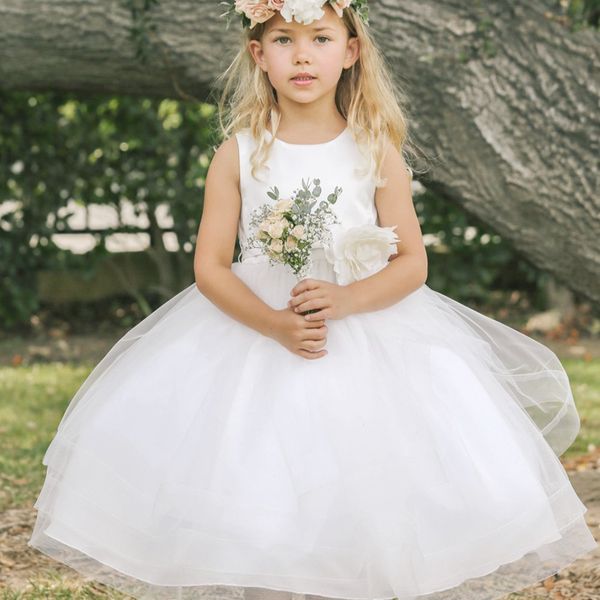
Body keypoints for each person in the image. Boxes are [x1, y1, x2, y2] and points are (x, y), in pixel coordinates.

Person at [28, 1, 598, 599]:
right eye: (283, 40)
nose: (303, 54)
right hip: (260, 334)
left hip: (368, 333)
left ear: (350, 52)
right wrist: (274, 324)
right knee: (263, 480)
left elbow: (412, 264)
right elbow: (210, 268)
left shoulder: (376, 150)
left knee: (369, 485)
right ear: (259, 56)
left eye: (321, 38)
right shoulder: (240, 154)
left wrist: (348, 299)